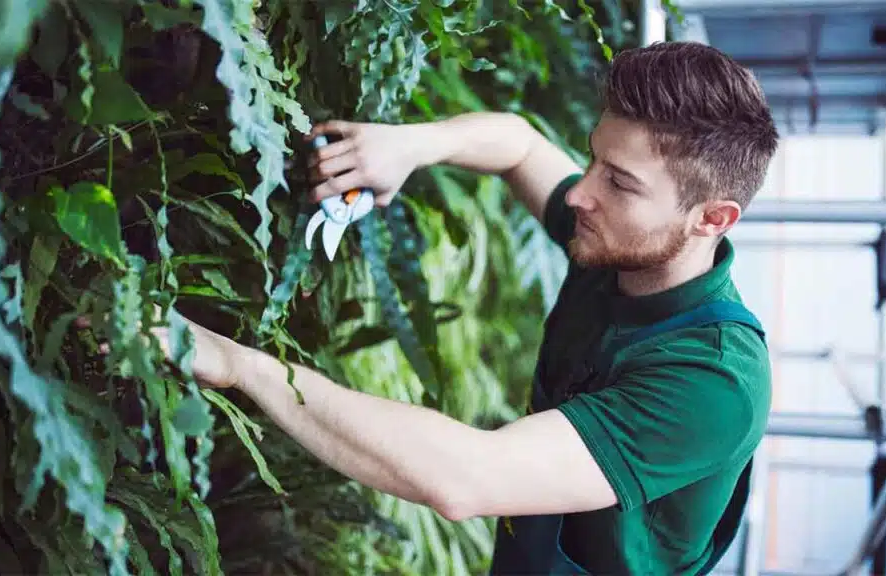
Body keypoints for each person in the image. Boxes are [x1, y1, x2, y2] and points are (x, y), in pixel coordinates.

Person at [135, 41, 778, 575]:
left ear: (711, 219)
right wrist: (410, 146)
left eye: (620, 181)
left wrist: (236, 364)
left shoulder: (715, 383)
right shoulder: (619, 242)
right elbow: (522, 146)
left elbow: (465, 476)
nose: (580, 192)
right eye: (592, 159)